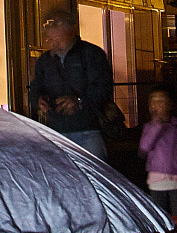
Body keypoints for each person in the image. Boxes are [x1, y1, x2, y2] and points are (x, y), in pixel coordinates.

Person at [25, 9, 115, 158]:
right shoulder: (45, 61)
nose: (55, 43)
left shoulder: (91, 54)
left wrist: (79, 101)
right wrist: (38, 100)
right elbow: (35, 87)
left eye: (58, 38)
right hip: (57, 131)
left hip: (88, 129)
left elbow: (103, 88)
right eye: (50, 39)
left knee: (93, 175)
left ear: (71, 32)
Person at [139, 86, 177, 220]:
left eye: (161, 101)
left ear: (170, 104)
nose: (157, 105)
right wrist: (157, 126)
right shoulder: (149, 127)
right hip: (156, 181)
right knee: (160, 219)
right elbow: (144, 147)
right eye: (153, 102)